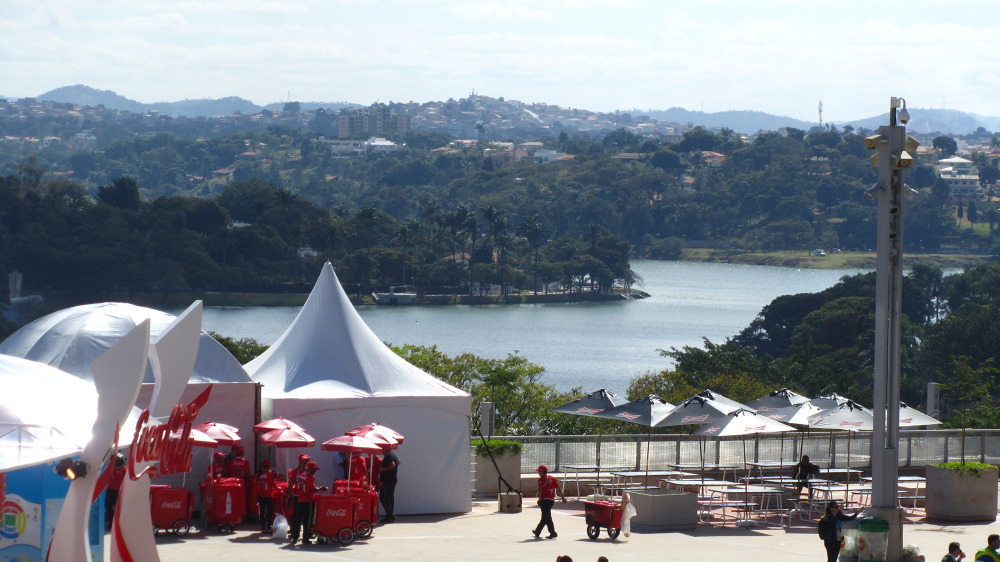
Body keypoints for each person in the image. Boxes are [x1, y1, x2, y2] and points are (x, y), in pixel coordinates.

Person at [289, 461, 326, 545]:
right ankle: (305, 537)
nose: (315, 471)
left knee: (298, 519)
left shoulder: (300, 475)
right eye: (314, 469)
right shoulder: (310, 477)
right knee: (307, 520)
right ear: (310, 469)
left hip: (299, 499)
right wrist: (321, 488)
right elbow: (312, 489)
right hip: (308, 500)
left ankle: (295, 536)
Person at [532, 465, 567, 539]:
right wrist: (563, 497)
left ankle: (550, 532)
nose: (538, 473)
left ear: (543, 472)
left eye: (539, 471)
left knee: (545, 517)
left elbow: (540, 489)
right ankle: (539, 531)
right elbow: (558, 489)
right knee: (546, 516)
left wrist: (540, 499)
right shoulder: (552, 478)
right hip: (551, 500)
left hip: (545, 500)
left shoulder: (541, 480)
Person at [286, 453, 311, 544]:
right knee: (297, 517)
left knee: (306, 518)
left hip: (306, 497)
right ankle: (295, 536)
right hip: (297, 497)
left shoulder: (309, 472)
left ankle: (305, 537)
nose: (306, 463)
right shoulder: (295, 472)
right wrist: (288, 496)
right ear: (300, 462)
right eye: (304, 461)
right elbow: (291, 484)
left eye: (307, 461)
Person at [379, 448, 400, 523]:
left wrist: (384, 469)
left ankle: (389, 515)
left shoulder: (388, 455)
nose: (381, 450)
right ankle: (390, 514)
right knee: (389, 497)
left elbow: (393, 464)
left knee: (384, 497)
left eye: (382, 449)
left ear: (386, 449)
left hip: (388, 480)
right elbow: (398, 461)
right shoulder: (392, 455)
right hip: (391, 479)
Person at [255, 460, 277, 533]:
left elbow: (256, 484)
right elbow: (273, 484)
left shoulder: (258, 474)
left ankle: (263, 528)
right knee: (270, 512)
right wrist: (278, 488)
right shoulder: (270, 473)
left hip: (261, 496)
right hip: (268, 495)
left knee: (262, 512)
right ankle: (268, 527)